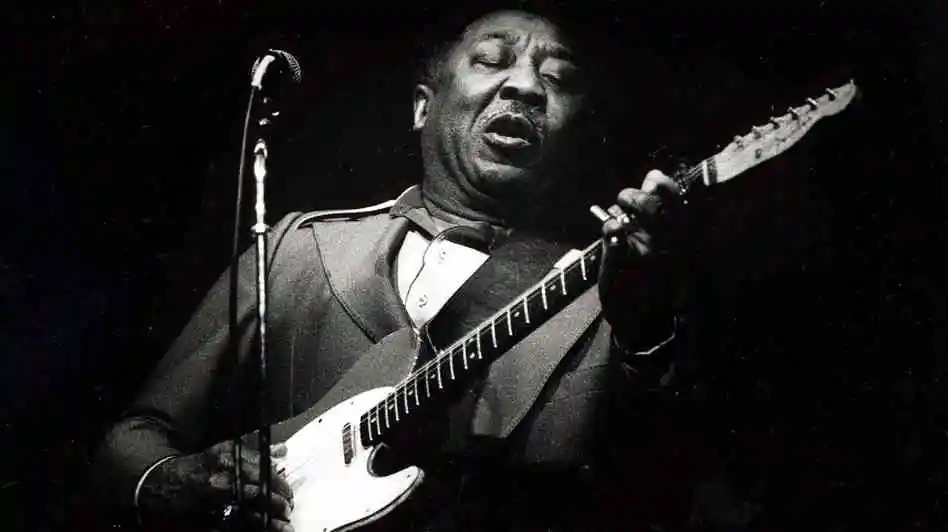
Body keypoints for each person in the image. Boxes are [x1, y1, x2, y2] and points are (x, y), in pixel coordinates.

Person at [91, 9, 687, 531]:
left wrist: (646, 326)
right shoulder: (298, 246)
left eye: (558, 79)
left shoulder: (600, 288)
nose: (527, 86)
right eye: (491, 60)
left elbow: (658, 480)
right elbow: (133, 438)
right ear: (424, 107)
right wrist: (169, 482)